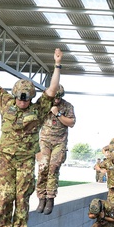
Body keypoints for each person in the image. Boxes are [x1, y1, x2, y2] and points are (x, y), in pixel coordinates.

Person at [0, 44, 62, 227]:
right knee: (5, 197)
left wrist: (56, 65)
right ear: (14, 95)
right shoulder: (5, 103)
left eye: (26, 99)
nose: (22, 102)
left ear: (30, 98)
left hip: (26, 160)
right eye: (19, 98)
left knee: (22, 198)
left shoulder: (38, 109)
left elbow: (52, 90)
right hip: (6, 159)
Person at [36, 85, 76, 215]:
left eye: (59, 98)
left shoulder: (67, 106)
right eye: (55, 97)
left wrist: (57, 113)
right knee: (43, 168)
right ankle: (41, 198)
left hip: (59, 143)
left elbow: (71, 123)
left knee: (53, 168)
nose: (57, 100)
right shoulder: (43, 104)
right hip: (45, 141)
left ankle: (50, 198)